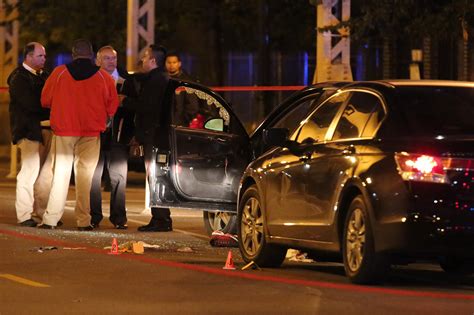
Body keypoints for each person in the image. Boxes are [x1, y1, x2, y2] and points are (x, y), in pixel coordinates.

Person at [39, 39, 119, 230]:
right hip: (91, 133)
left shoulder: (59, 73)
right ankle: (83, 221)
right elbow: (112, 106)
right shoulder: (103, 77)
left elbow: (45, 100)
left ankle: (50, 219)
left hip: (64, 131)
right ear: (92, 55)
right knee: (85, 179)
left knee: (60, 175)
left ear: (73, 54)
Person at [123, 44, 172, 232]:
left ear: (153, 61)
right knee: (157, 177)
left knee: (156, 177)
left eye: (144, 57)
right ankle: (161, 217)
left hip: (155, 136)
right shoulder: (159, 78)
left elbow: (148, 108)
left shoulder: (157, 80)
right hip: (157, 135)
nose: (141, 60)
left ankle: (161, 219)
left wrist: (125, 101)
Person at [89, 46, 134, 230]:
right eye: (106, 58)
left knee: (119, 177)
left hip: (118, 135)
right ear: (97, 61)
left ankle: (118, 218)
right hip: (95, 134)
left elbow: (134, 107)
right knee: (93, 177)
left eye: (113, 58)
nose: (111, 62)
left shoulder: (127, 81)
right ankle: (94, 217)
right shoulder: (90, 79)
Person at [8, 42, 52, 227]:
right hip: (28, 131)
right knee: (29, 172)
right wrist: (51, 105)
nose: (44, 59)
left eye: (44, 56)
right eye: (40, 56)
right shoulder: (19, 77)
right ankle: (24, 215)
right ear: (28, 56)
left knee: (45, 175)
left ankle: (42, 214)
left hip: (47, 129)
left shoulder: (44, 76)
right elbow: (32, 104)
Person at [165, 51, 199, 126]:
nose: (171, 65)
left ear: (179, 63)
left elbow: (192, 106)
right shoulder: (162, 80)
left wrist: (182, 122)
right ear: (165, 63)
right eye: (169, 62)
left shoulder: (186, 81)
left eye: (174, 62)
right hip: (163, 125)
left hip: (180, 126)